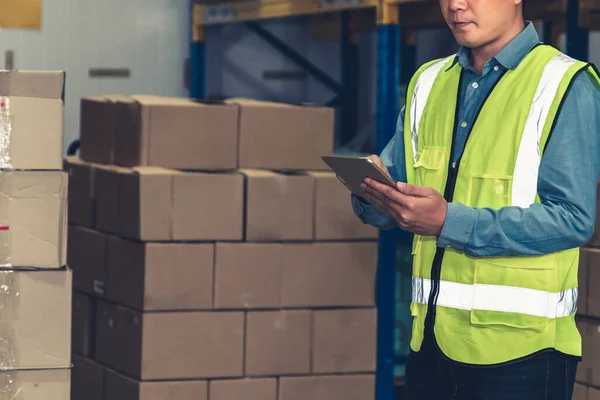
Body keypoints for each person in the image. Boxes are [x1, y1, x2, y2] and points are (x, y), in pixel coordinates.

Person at [348, 0, 600, 398]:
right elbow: (398, 181)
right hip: (430, 346)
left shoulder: (563, 84)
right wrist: (374, 196)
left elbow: (572, 219)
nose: (455, 6)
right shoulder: (428, 81)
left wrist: (448, 222)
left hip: (522, 354)